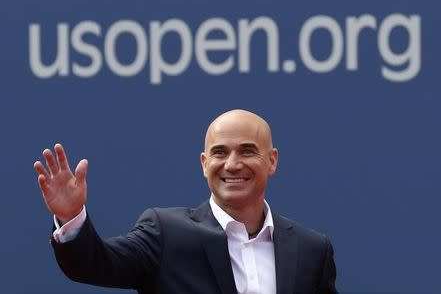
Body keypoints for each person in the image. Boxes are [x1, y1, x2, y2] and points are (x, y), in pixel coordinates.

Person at [34, 109, 338, 294]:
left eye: (247, 151)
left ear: (271, 161)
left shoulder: (311, 250)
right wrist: (72, 215)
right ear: (204, 163)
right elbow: (95, 265)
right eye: (220, 153)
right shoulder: (166, 233)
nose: (232, 164)